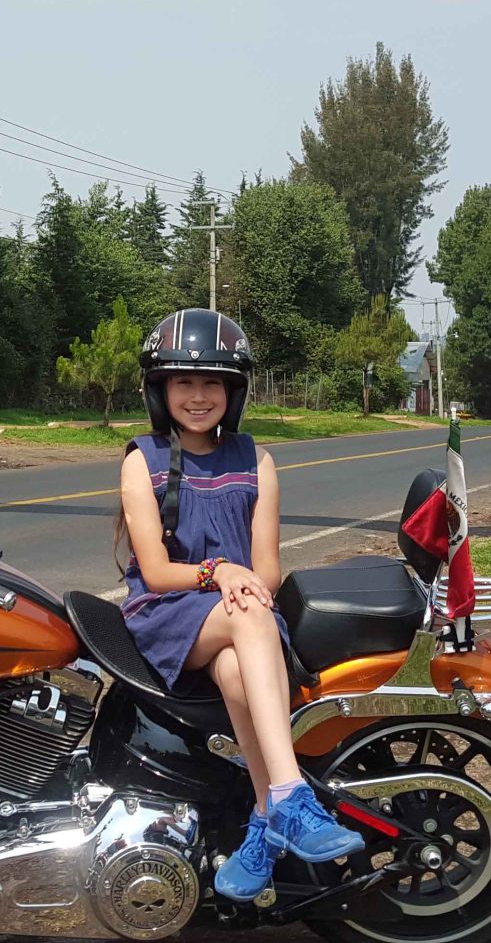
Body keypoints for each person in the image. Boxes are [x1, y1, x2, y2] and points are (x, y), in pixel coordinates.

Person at [115, 308, 362, 902]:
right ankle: (289, 797)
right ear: (160, 390)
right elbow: (155, 571)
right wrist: (220, 572)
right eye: (184, 383)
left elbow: (268, 568)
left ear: (233, 391)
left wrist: (243, 583)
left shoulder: (257, 459)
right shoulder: (140, 460)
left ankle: (264, 819)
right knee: (249, 615)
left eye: (212, 384)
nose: (198, 396)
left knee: (236, 669)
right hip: (169, 610)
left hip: (241, 612)